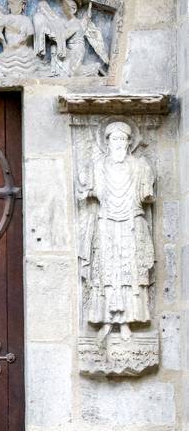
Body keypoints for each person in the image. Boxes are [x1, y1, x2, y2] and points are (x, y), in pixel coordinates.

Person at [77, 121, 155, 343]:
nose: (119, 143)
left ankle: (128, 322)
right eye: (114, 139)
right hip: (106, 223)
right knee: (107, 272)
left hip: (132, 222)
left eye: (123, 139)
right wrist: (87, 188)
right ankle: (107, 320)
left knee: (130, 270)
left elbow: (145, 193)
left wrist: (145, 189)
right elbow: (88, 191)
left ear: (130, 142)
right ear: (107, 142)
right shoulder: (98, 165)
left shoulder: (140, 165)